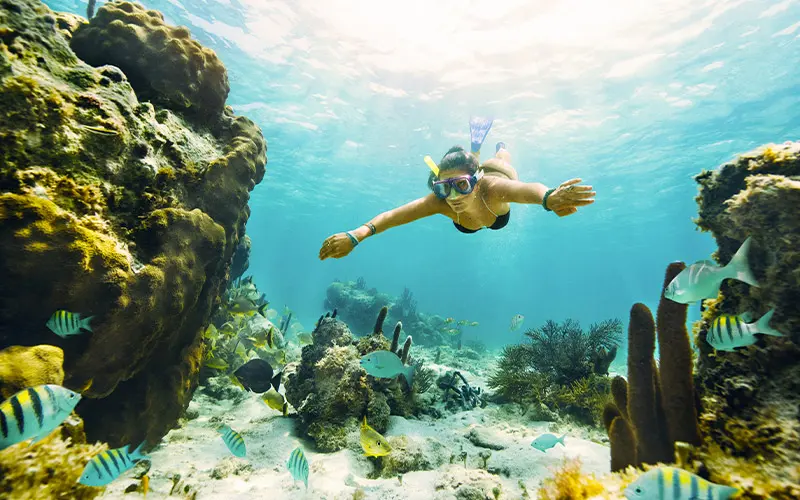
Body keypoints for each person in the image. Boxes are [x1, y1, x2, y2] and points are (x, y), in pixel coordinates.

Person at [318, 118, 595, 260]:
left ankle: (500, 148)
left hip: (497, 171)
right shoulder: (441, 202)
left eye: (461, 186)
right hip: (474, 173)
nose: (453, 198)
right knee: (462, 173)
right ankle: (473, 148)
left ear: (475, 182)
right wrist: (356, 236)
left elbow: (528, 190)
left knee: (503, 163)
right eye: (443, 189)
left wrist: (549, 198)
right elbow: (393, 216)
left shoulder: (493, 187)